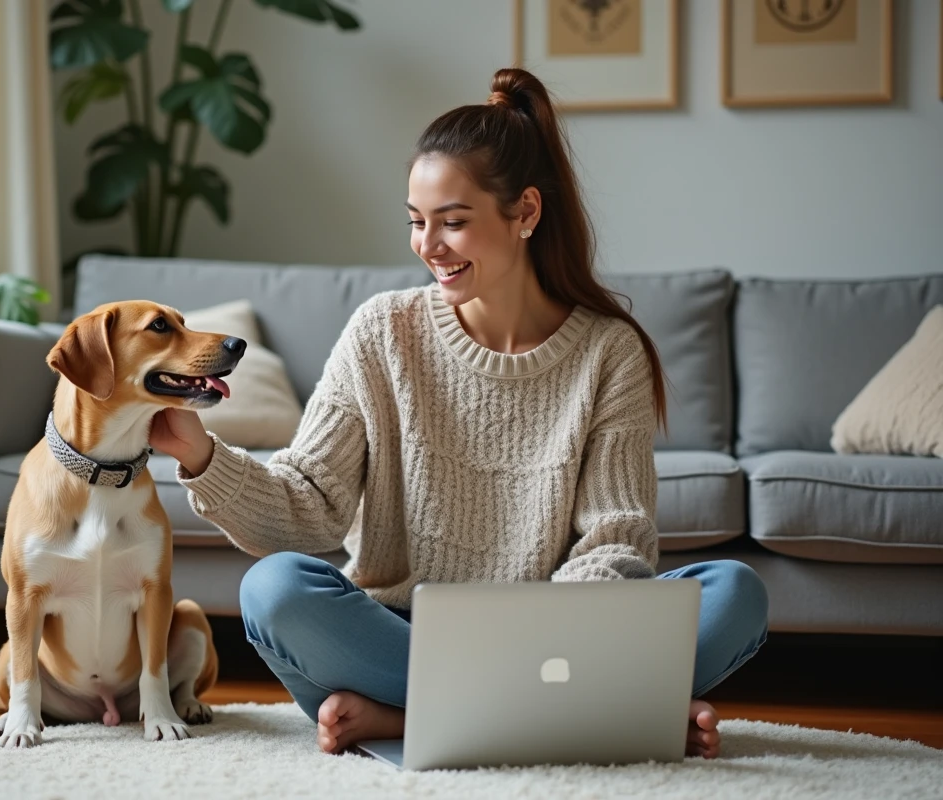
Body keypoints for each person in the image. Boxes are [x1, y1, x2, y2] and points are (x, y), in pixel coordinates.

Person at [149, 67, 769, 761]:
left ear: (526, 213)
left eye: (453, 222)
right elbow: (310, 506)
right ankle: (598, 715)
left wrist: (543, 644)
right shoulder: (382, 330)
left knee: (733, 591)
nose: (428, 245)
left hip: (556, 638)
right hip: (396, 634)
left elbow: (614, 542)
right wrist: (200, 454)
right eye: (417, 222)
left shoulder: (607, 351)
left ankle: (409, 718)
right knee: (276, 590)